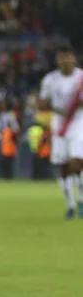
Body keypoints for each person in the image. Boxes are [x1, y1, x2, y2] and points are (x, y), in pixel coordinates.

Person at [39, 47, 83, 218]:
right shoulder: (51, 79)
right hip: (59, 124)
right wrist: (49, 105)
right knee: (63, 166)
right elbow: (43, 102)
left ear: (74, 59)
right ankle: (70, 204)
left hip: (79, 122)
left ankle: (81, 198)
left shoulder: (80, 78)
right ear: (58, 60)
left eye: (68, 57)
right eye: (62, 58)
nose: (65, 61)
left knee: (76, 162)